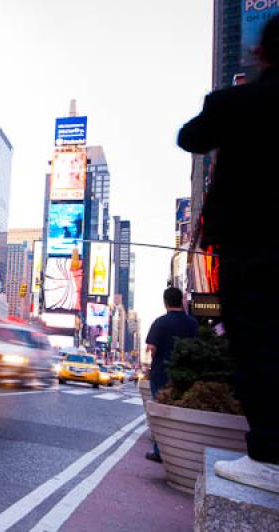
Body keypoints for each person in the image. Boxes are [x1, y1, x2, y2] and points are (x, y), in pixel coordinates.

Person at [177, 14, 279, 493]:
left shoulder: (237, 103)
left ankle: (268, 457)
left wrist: (218, 107)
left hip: (251, 246)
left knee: (257, 345)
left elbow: (190, 137)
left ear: (261, 54)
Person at [144, 287, 199, 463]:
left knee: (160, 414)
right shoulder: (193, 324)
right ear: (181, 301)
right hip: (187, 374)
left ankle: (160, 452)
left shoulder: (160, 323)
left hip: (161, 373)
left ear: (165, 302)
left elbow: (152, 349)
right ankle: (182, 451)